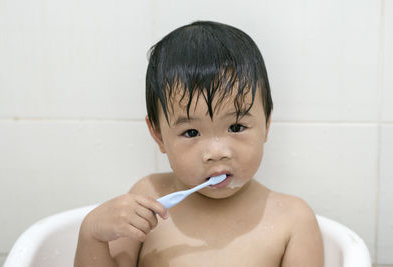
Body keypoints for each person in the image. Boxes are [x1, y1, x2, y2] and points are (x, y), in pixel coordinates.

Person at [74, 20, 324, 267]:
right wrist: (92, 235)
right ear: (158, 136)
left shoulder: (293, 220)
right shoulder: (149, 198)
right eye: (191, 132)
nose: (216, 153)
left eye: (236, 127)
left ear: (266, 126)